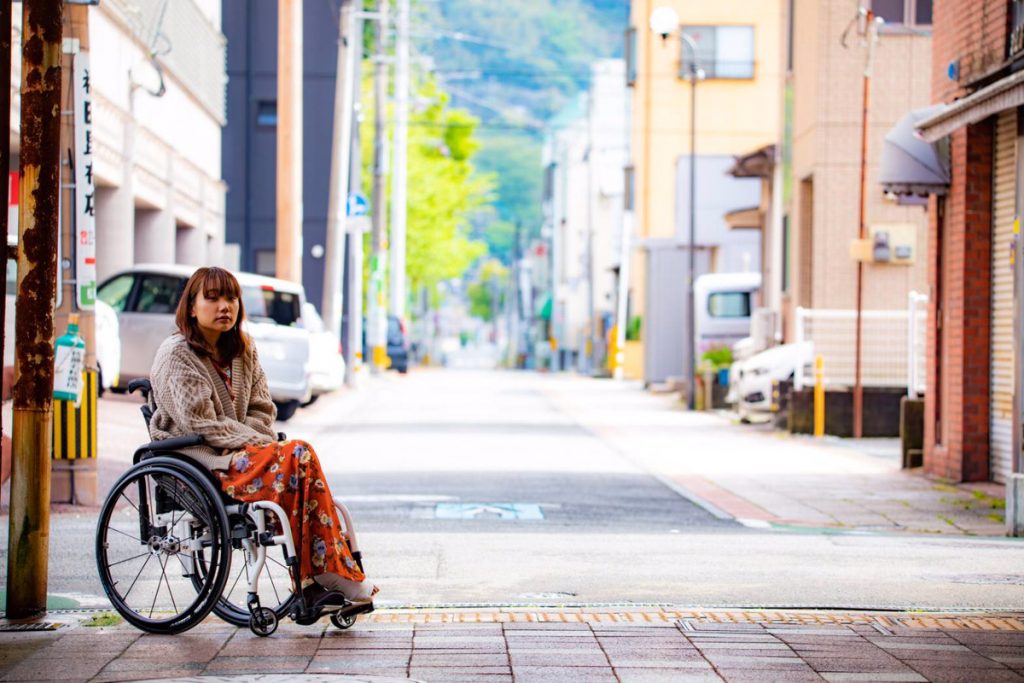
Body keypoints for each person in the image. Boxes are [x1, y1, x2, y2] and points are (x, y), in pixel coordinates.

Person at [148, 266, 377, 611]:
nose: (225, 306)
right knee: (297, 453)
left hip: (244, 457)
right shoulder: (176, 354)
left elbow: (262, 409)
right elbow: (202, 423)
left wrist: (254, 441)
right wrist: (255, 443)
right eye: (212, 298)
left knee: (297, 459)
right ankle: (328, 573)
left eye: (231, 298)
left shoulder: (243, 349)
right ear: (191, 307)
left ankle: (316, 582)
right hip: (201, 460)